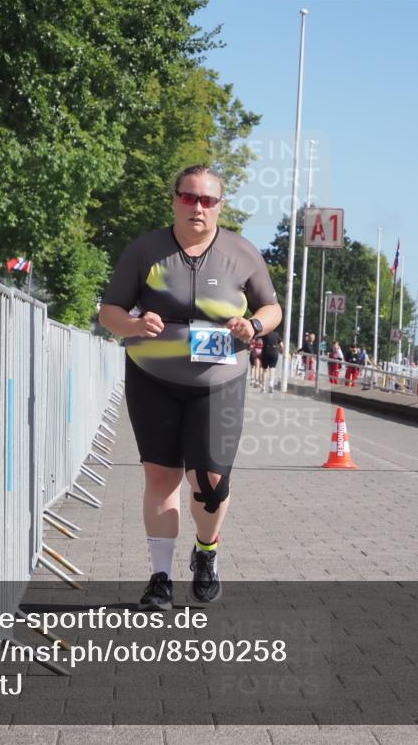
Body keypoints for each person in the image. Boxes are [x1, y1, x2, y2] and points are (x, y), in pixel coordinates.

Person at [99, 164, 282, 611]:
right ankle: (159, 577)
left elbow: (272, 308)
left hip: (219, 381)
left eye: (207, 200)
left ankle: (206, 553)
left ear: (220, 205)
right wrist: (135, 323)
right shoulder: (146, 249)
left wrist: (253, 324)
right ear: (175, 199)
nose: (197, 207)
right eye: (188, 197)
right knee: (161, 477)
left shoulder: (242, 252)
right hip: (152, 376)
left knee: (211, 481)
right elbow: (110, 312)